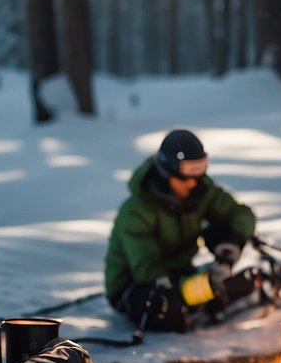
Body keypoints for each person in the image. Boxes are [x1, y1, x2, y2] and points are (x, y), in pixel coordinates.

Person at [104, 129, 260, 331]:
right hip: (136, 285)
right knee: (169, 307)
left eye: (200, 170)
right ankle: (198, 304)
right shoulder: (136, 211)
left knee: (237, 283)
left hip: (181, 273)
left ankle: (207, 301)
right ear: (165, 173)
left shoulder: (199, 190)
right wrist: (203, 284)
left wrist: (232, 245)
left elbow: (241, 214)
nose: (193, 182)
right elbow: (146, 271)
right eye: (186, 175)